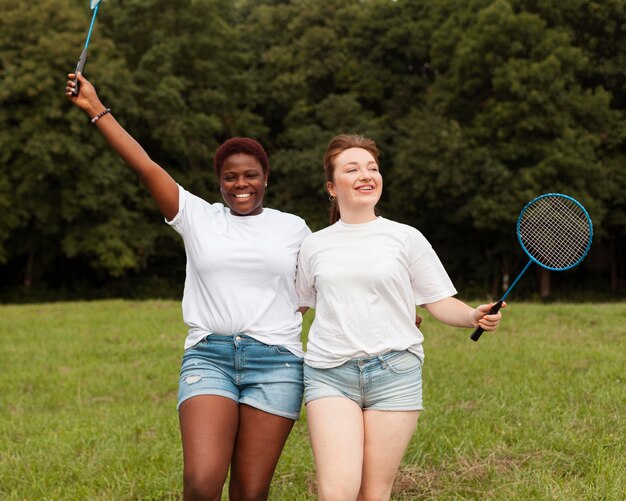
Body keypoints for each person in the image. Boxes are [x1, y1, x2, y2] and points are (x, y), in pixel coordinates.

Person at [66, 73, 311, 501]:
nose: (241, 185)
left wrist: (392, 309)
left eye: (250, 175)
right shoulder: (199, 217)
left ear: (266, 177)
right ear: (219, 180)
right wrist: (95, 108)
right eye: (230, 177)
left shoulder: (294, 228)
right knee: (200, 485)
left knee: (251, 493)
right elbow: (144, 166)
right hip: (209, 357)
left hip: (277, 364)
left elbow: (324, 284)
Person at [296, 134, 505, 501]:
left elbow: (440, 303)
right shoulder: (314, 245)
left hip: (394, 374)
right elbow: (299, 305)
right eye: (352, 169)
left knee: (374, 494)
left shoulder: (405, 238)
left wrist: (474, 314)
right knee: (337, 493)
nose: (366, 175)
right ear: (331, 187)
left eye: (372, 168)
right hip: (329, 374)